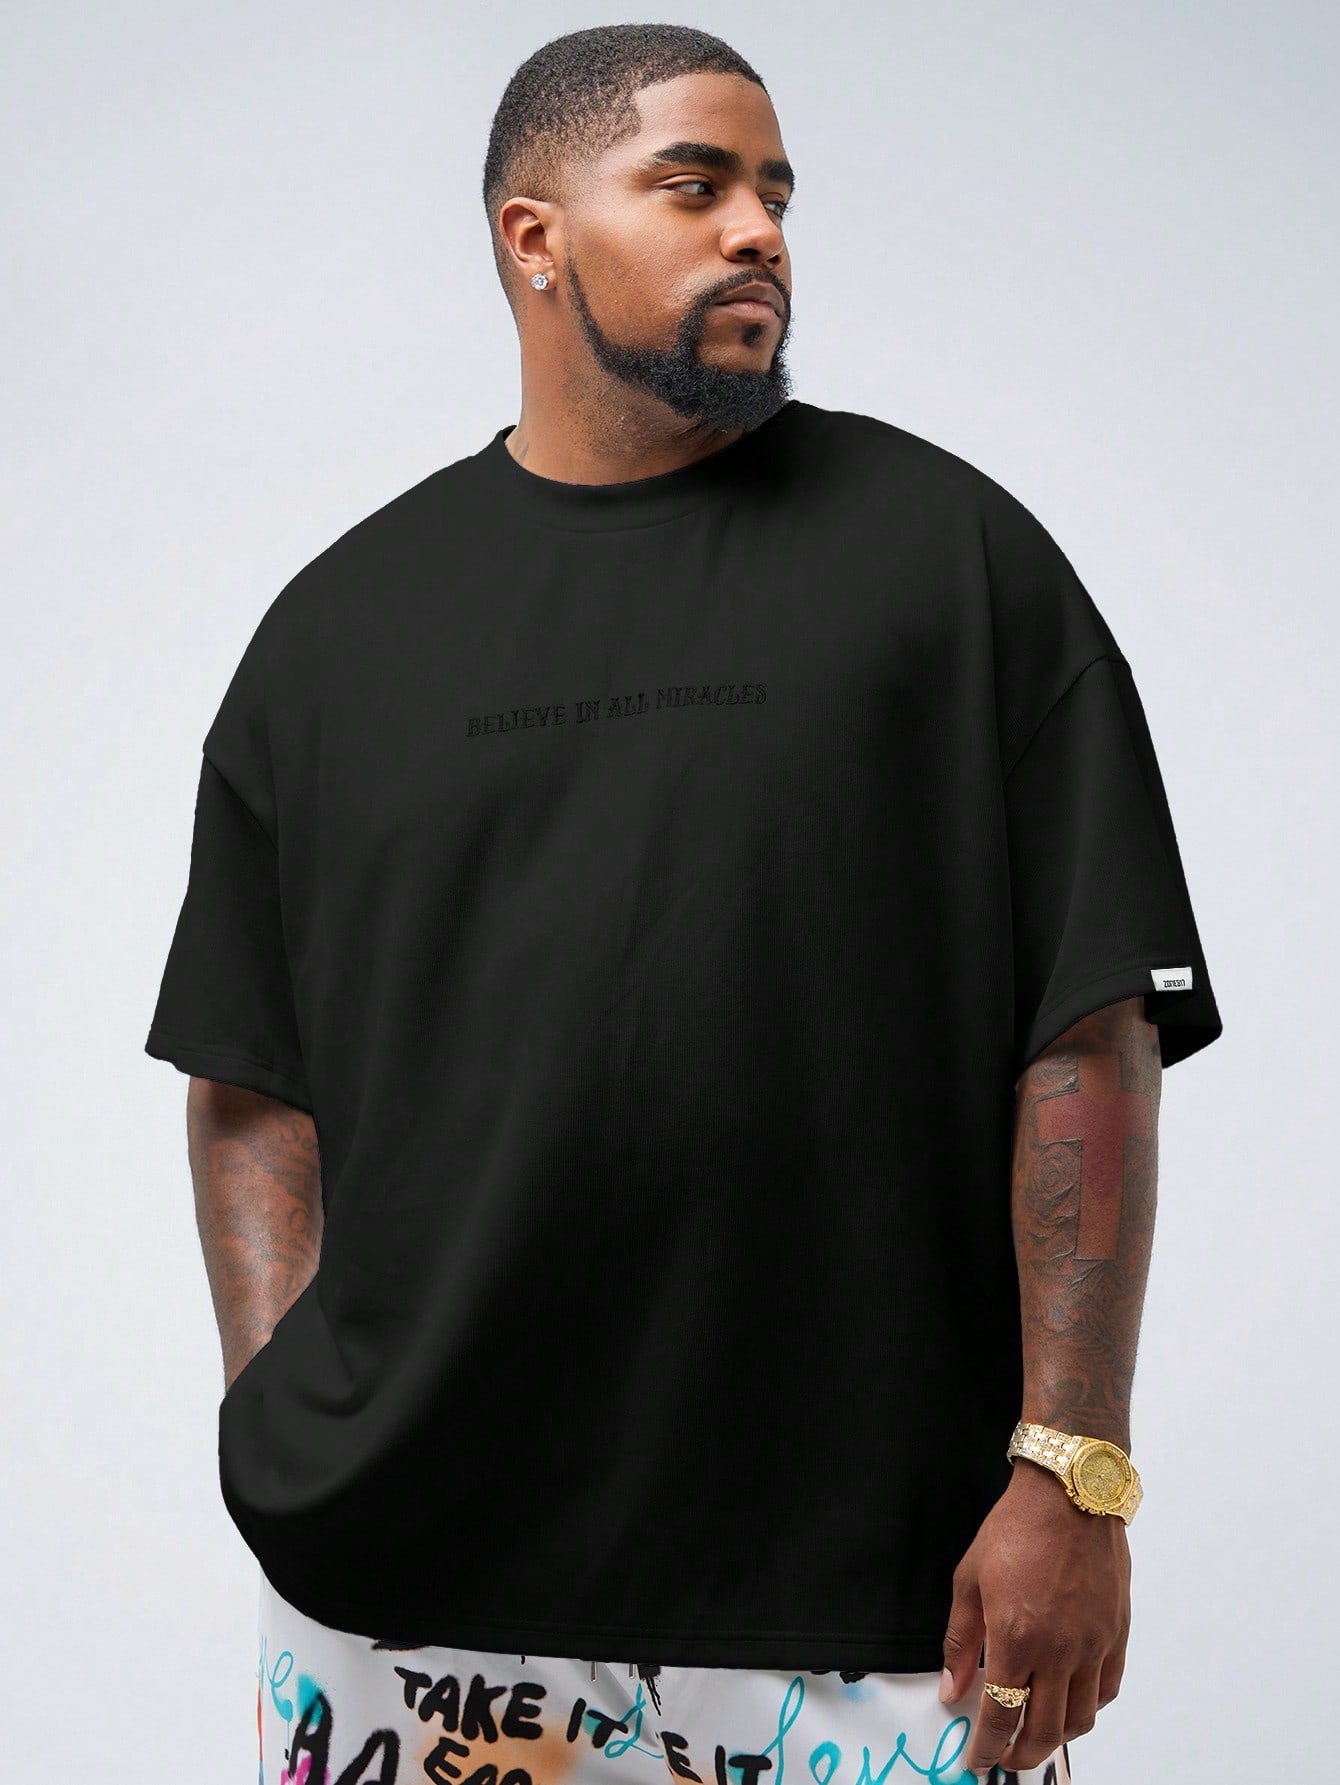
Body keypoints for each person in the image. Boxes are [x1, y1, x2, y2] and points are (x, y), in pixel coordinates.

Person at [144, 24, 1223, 1785]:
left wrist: (1073, 1469)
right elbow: (249, 1079)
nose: (761, 230)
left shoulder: (956, 562)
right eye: (695, 183)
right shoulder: (337, 634)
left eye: (776, 191)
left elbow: (1090, 1034)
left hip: (882, 1608)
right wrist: (284, 1416)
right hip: (405, 1606)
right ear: (534, 236)